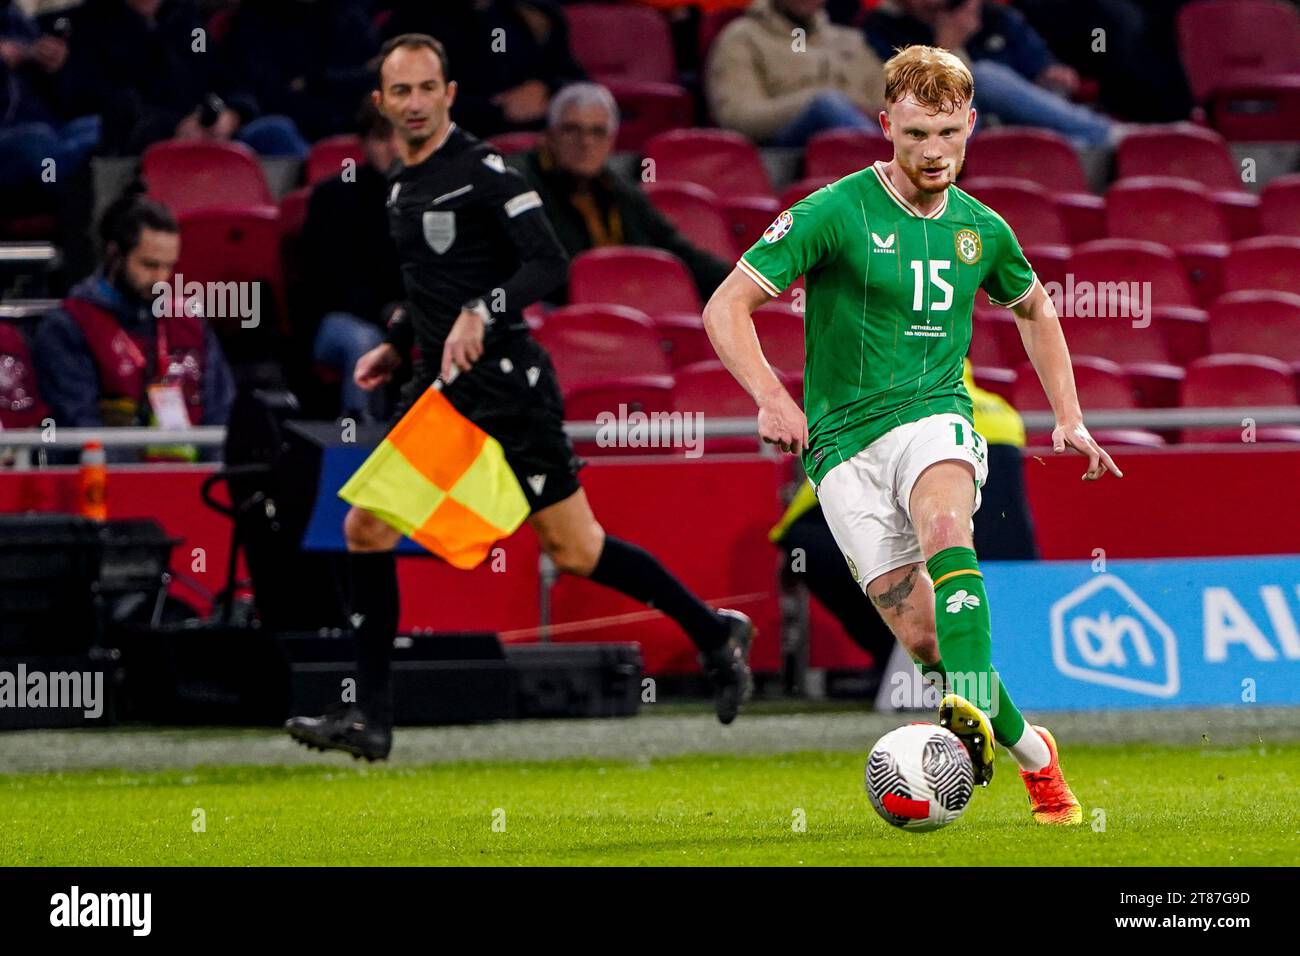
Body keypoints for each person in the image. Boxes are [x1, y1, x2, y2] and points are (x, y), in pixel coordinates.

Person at [284, 34, 754, 761]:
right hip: (448, 395)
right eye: (399, 92)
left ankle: (714, 633)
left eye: (426, 89)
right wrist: (402, 338)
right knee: (366, 530)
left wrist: (483, 308)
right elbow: (436, 289)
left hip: (511, 394)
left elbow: (546, 260)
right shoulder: (404, 183)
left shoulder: (486, 170)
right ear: (381, 103)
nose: (413, 103)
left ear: (448, 93)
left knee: (577, 550)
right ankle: (370, 720)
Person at [703, 45, 1122, 824]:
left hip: (935, 417)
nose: (934, 153)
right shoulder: (835, 211)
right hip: (841, 449)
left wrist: (1068, 415)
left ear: (970, 124)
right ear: (886, 124)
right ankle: (1035, 753)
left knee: (945, 526)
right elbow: (725, 306)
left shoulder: (982, 230)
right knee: (929, 640)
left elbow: (1034, 308)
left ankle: (961, 716)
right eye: (916, 135)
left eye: (948, 135)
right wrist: (770, 397)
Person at [32, 196, 235, 450]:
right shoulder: (68, 327)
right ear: (114, 254)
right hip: (108, 482)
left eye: (168, 266)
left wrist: (207, 481)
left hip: (194, 483)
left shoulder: (189, 323)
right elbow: (80, 426)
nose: (161, 279)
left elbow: (221, 415)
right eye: (149, 265)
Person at [508, 82, 730, 304]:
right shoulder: (517, 184)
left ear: (611, 141)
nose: (586, 142)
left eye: (598, 132)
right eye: (572, 130)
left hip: (628, 306)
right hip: (556, 312)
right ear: (550, 136)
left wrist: (743, 284)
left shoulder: (619, 190)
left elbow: (680, 253)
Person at [863, 0, 1119, 148]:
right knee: (983, 77)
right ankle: (1107, 135)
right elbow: (905, 100)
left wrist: (1052, 74)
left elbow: (1040, 67)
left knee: (1072, 145)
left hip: (1019, 130)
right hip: (946, 144)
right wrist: (947, 47)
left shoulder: (995, 18)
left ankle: (1105, 139)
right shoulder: (882, 28)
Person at [300, 103, 406, 422]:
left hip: (409, 316)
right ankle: (359, 438)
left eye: (403, 137)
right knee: (365, 341)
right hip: (338, 321)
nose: (394, 147)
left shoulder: (434, 200)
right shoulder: (334, 198)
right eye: (382, 138)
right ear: (363, 142)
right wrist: (387, 312)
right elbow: (330, 282)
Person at [379, 1, 586, 137]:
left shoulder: (536, 14)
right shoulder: (413, 18)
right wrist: (497, 110)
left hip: (538, 145)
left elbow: (580, 84)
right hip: (458, 143)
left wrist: (548, 90)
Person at [706, 0, 885, 146]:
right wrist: (812, 100)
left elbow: (889, 102)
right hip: (783, 152)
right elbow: (738, 117)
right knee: (826, 104)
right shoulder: (742, 37)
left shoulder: (849, 40)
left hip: (853, 143)